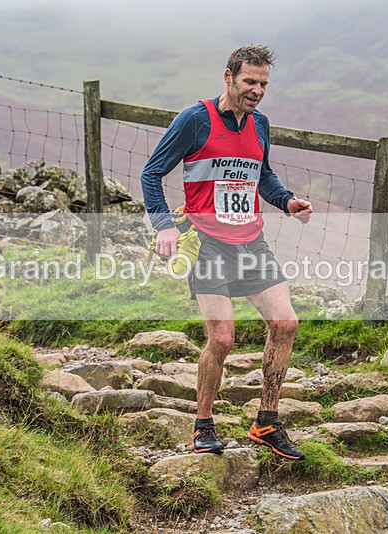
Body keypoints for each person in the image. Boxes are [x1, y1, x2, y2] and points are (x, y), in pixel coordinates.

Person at [140, 45, 313, 460]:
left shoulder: (261, 124)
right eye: (249, 81)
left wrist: (287, 201)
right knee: (222, 338)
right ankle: (203, 425)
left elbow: (262, 175)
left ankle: (267, 422)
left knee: (286, 323)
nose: (256, 91)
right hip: (207, 243)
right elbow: (151, 172)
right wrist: (164, 225)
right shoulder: (195, 120)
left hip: (250, 242)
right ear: (229, 77)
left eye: (263, 84)